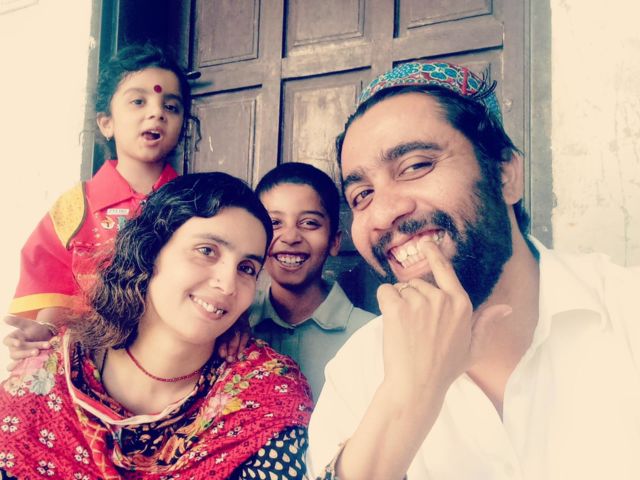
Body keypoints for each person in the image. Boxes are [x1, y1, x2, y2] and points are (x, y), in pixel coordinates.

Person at [307, 62, 640, 479]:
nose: (383, 213)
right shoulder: (358, 369)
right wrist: (408, 399)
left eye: (416, 166)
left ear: (505, 175)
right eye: (362, 195)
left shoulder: (626, 310)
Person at [0, 172, 313, 479]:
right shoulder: (51, 375)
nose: (228, 284)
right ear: (149, 251)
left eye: (247, 268)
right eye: (207, 251)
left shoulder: (265, 397)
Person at [3, 43, 193, 368]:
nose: (157, 112)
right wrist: (43, 334)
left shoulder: (198, 203)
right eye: (138, 101)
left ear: (183, 125)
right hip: (88, 359)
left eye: (171, 106)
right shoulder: (75, 206)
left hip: (175, 359)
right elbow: (53, 295)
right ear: (106, 123)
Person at [247, 162, 375, 399]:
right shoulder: (233, 326)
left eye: (309, 223)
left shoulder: (372, 334)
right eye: (274, 223)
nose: (290, 237)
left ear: (334, 241)